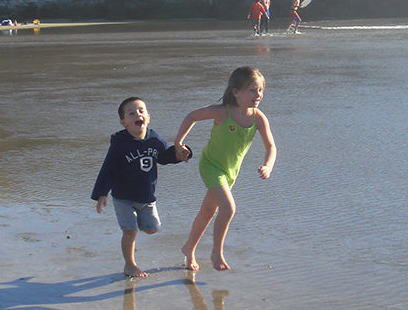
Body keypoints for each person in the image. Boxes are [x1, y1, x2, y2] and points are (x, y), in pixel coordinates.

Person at [173, 66, 276, 271]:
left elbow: (271, 146)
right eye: (252, 90)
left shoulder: (258, 118)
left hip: (230, 172)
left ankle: (188, 249)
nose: (258, 95)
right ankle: (216, 253)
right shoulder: (222, 112)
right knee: (229, 209)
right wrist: (179, 143)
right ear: (236, 92)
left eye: (260, 90)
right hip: (211, 166)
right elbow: (192, 116)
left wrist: (268, 165)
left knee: (208, 212)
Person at [92, 97, 192, 278]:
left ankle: (137, 223)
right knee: (129, 231)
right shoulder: (120, 144)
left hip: (147, 197)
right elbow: (108, 168)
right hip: (123, 197)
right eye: (131, 113)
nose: (137, 114)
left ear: (148, 116)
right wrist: (101, 194)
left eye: (141, 111)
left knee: (152, 229)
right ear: (124, 122)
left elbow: (163, 157)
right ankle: (130, 265)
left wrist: (180, 154)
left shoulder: (155, 139)